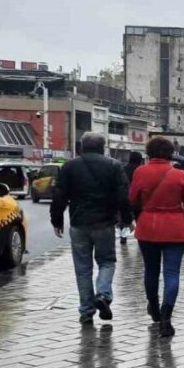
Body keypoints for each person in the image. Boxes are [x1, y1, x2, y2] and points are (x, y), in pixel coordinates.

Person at [51, 132, 132, 324]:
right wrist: (127, 220)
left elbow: (59, 195)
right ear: (102, 147)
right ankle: (103, 295)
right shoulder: (113, 166)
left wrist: (57, 220)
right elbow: (123, 197)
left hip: (79, 222)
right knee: (107, 262)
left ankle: (86, 310)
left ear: (82, 146)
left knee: (83, 268)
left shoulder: (69, 166)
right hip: (104, 223)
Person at [130, 137, 184, 338]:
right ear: (170, 153)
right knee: (172, 273)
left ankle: (153, 306)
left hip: (148, 227)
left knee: (150, 270)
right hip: (175, 229)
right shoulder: (180, 175)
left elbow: (132, 198)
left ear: (149, 152)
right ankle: (167, 317)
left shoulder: (140, 172)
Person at [121, 152, 144, 245]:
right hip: (138, 199)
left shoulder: (123, 169)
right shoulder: (141, 170)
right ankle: (141, 237)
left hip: (125, 197)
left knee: (125, 218)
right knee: (140, 219)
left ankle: (123, 237)